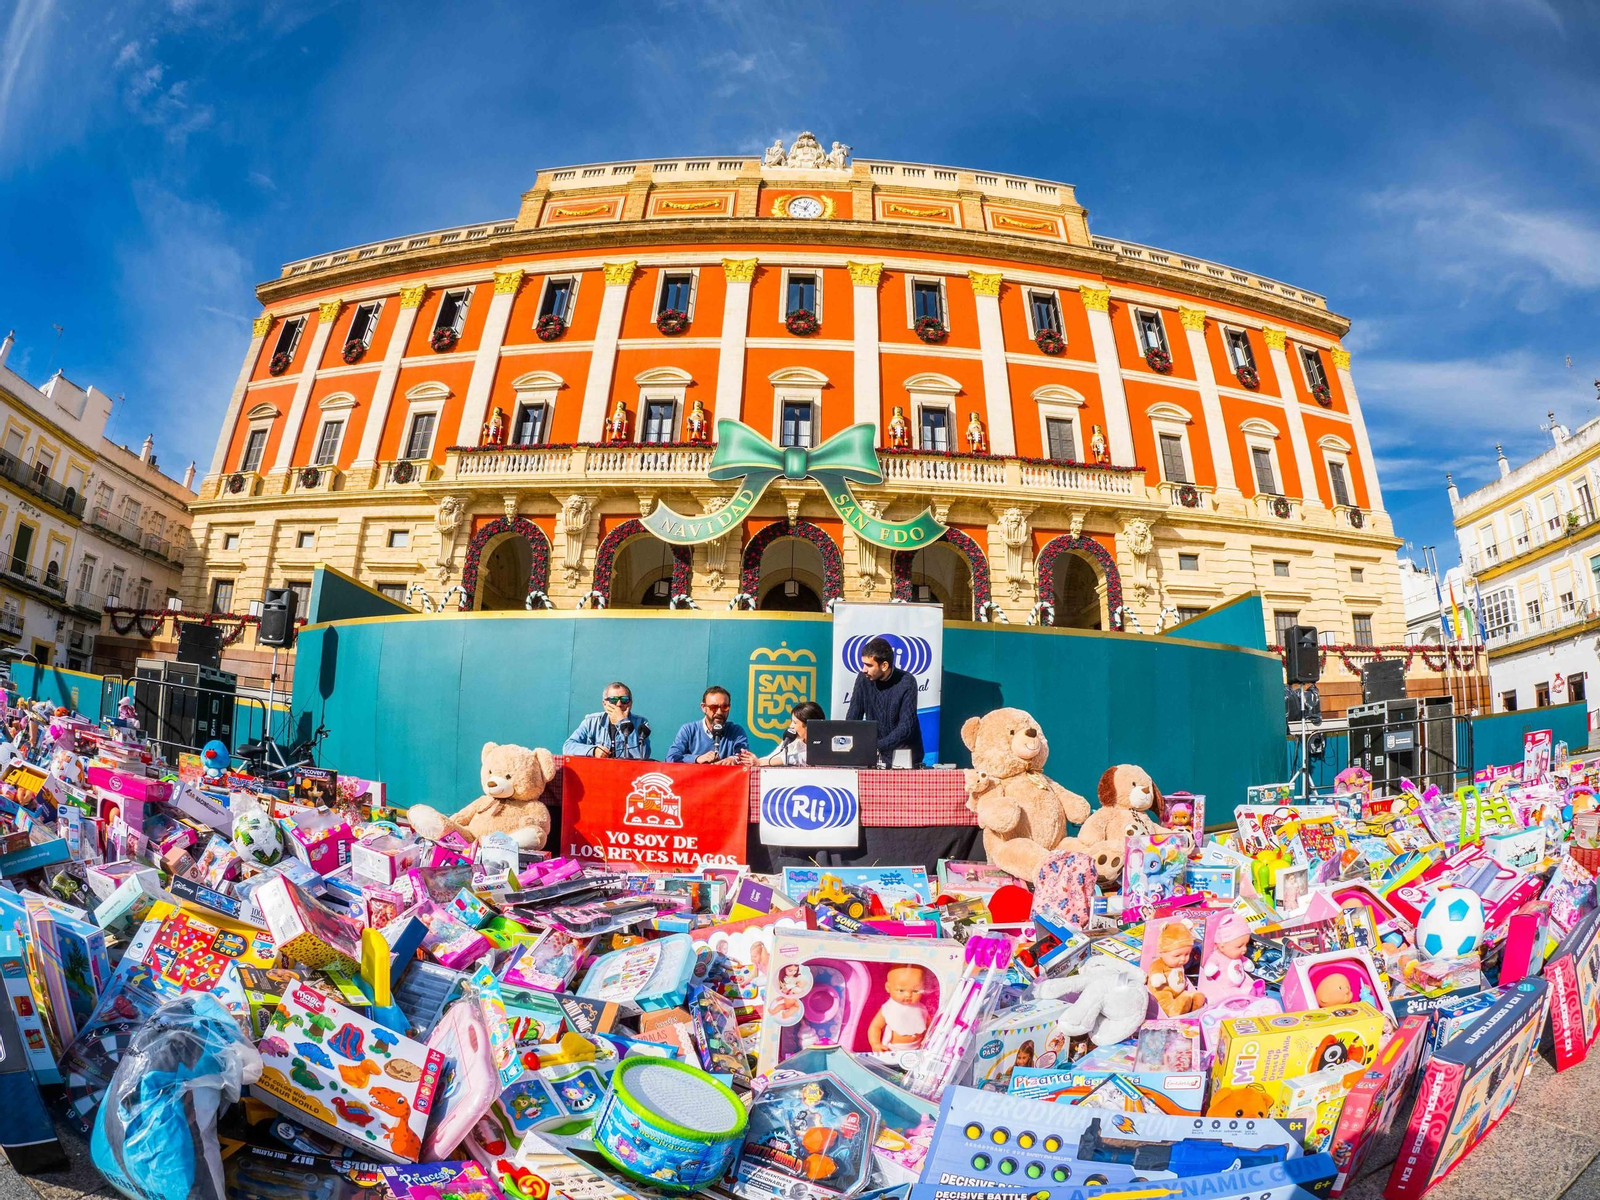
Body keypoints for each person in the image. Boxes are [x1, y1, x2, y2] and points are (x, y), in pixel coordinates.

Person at [845, 636, 923, 766]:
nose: (864, 669)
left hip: (904, 755)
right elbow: (853, 718)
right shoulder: (862, 679)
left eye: (869, 665)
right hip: (874, 755)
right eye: (863, 664)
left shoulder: (907, 681)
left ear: (884, 665)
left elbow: (906, 727)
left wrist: (875, 745)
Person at [563, 682, 653, 760]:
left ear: (630, 703)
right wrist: (593, 750)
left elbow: (642, 755)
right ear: (604, 704)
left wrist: (622, 721)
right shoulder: (591, 722)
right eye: (613, 700)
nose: (619, 704)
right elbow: (568, 747)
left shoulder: (640, 723)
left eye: (624, 700)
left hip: (628, 775)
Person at [666, 686, 754, 764]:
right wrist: (697, 758)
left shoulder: (736, 731)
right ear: (704, 707)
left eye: (724, 707)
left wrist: (734, 759)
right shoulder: (688, 730)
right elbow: (671, 758)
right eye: (714, 707)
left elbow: (745, 756)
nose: (719, 712)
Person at [759, 701, 826, 766]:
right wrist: (755, 761)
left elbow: (805, 758)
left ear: (808, 725)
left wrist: (783, 760)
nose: (791, 726)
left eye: (795, 723)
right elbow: (771, 758)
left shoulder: (826, 744)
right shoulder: (792, 740)